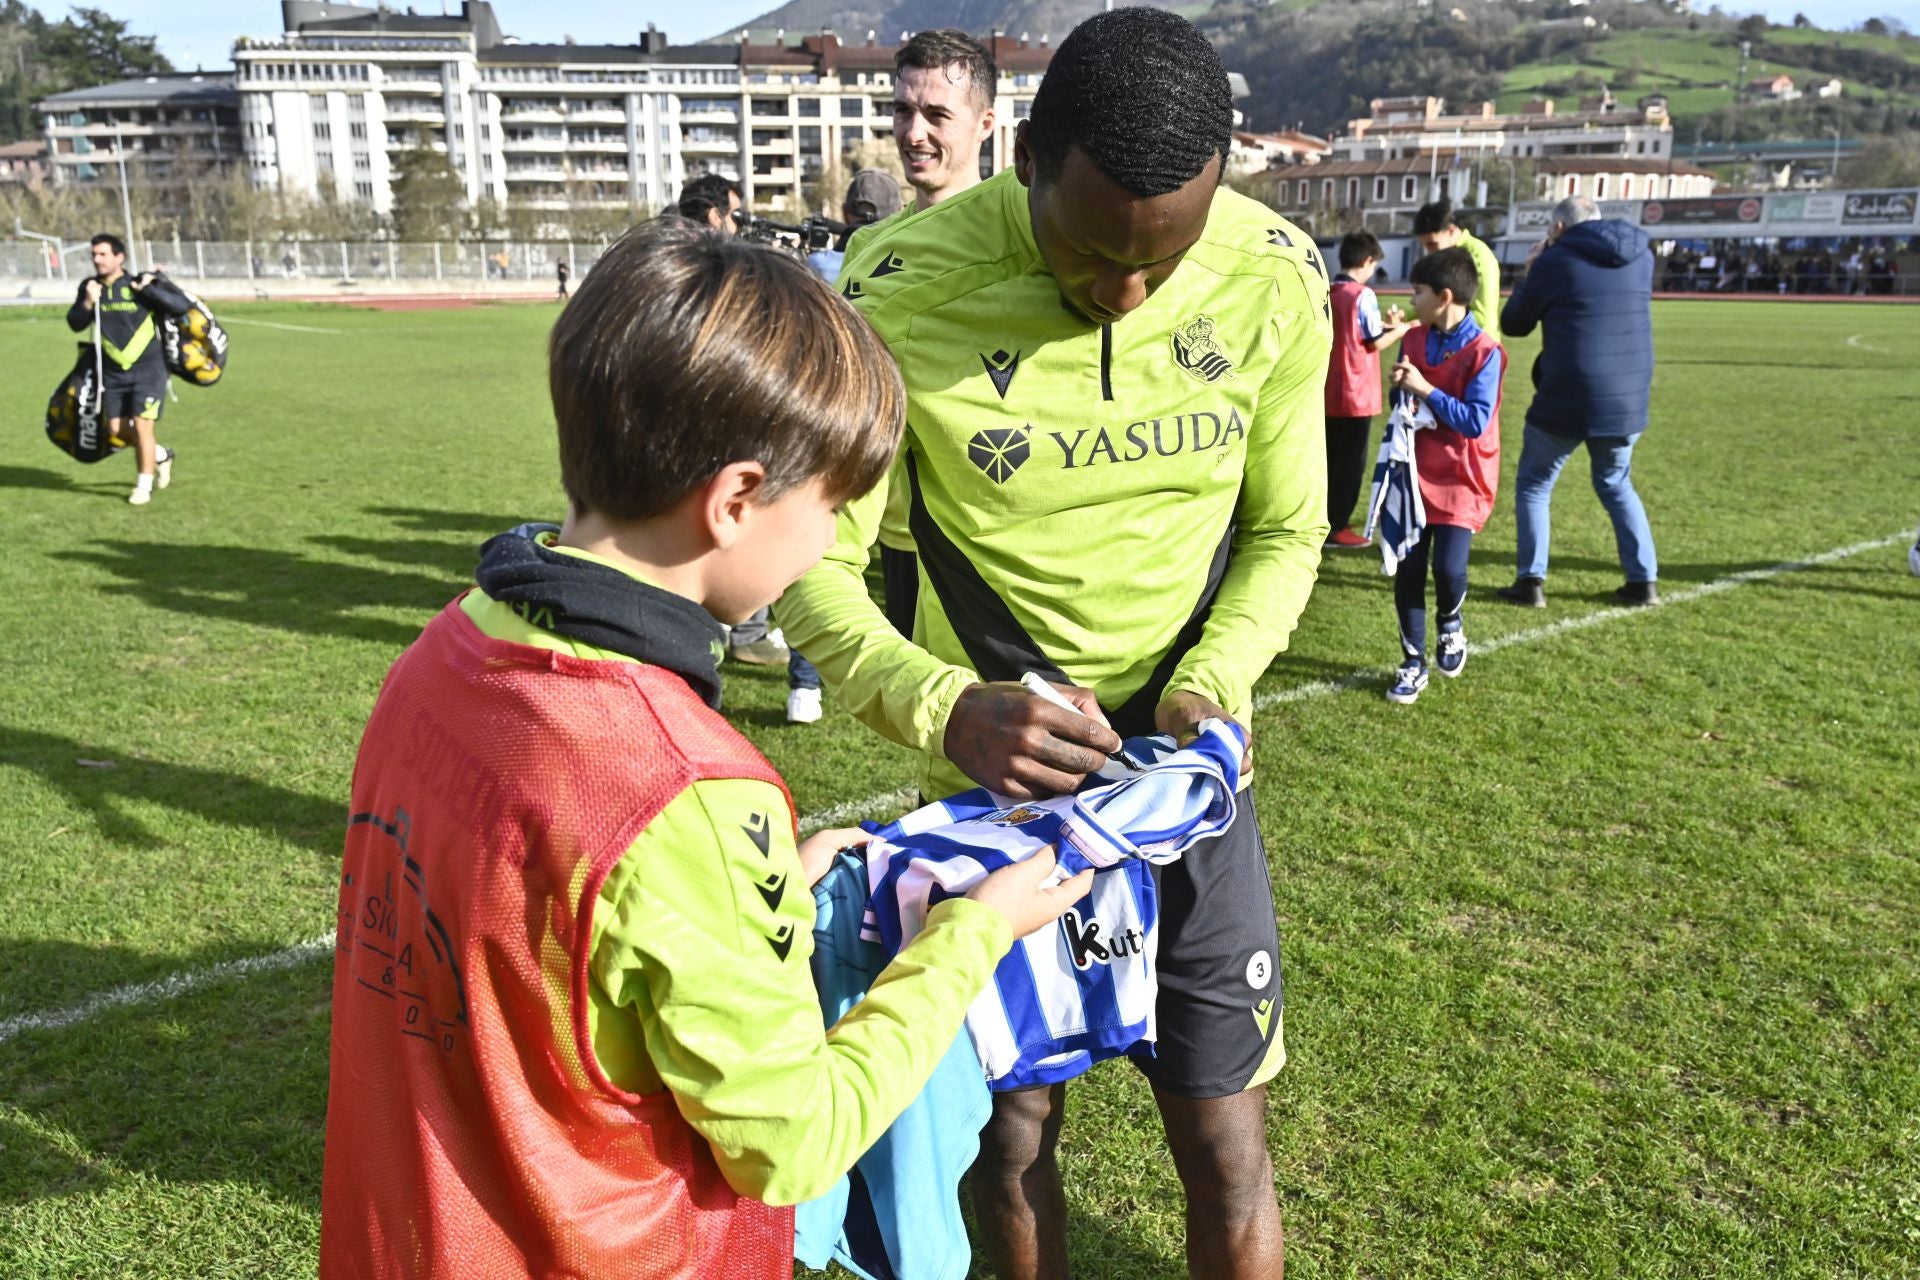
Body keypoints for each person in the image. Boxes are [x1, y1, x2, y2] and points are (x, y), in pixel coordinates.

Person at [316, 217, 1094, 1279]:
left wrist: (756, 894)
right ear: (734, 499)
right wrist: (969, 933)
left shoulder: (445, 652)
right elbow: (791, 1140)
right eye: (829, 508)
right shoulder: (689, 789)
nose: (830, 545)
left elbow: (563, 937)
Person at [781, 10, 1330, 1276]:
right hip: (995, 787)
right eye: (1089, 253)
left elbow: (1290, 527)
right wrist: (942, 705)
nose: (1123, 291)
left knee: (1228, 1149)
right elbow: (817, 565)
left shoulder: (1275, 274)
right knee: (1010, 1142)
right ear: (1025, 155)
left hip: (1191, 792)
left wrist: (1212, 683)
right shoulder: (895, 289)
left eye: (1164, 260)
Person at [871, 28, 1002, 642]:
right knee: (927, 725)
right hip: (899, 535)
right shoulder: (866, 250)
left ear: (985, 124)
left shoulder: (1026, 241)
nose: (913, 132)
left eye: (936, 114)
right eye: (902, 110)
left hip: (994, 545)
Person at [1494, 194, 1659, 610]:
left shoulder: (1555, 260)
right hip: (1628, 394)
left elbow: (1513, 323)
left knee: (1534, 484)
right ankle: (1644, 580)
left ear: (1559, 229)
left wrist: (1531, 272)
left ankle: (1531, 581)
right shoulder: (1642, 255)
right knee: (1616, 483)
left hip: (1569, 390)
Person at [788, 168, 907, 725]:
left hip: (828, 430)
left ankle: (803, 688)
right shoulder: (903, 258)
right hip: (888, 448)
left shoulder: (823, 265)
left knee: (816, 557)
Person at [1382, 247, 1505, 706]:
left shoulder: (1485, 352)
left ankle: (1450, 624)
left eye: (1418, 292)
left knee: (1449, 570)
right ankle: (1412, 662)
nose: (1412, 301)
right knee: (1409, 571)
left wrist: (1424, 389)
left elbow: (1475, 422)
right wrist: (1405, 395)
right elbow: (1406, 400)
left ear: (1445, 296)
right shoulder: (1415, 339)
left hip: (1463, 476)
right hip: (1414, 470)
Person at [66, 234, 184, 506]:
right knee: (116, 430)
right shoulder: (90, 286)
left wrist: (150, 290)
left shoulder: (138, 283)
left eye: (103, 254)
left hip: (149, 369)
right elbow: (75, 323)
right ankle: (161, 455)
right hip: (112, 372)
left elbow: (179, 307)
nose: (97, 259)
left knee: (143, 426)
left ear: (119, 257)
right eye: (94, 254)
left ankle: (143, 485)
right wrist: (87, 301)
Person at [1324, 230, 1410, 550]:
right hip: (1355, 393)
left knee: (1329, 462)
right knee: (1350, 465)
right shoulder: (1363, 295)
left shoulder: (1327, 290)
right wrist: (1400, 329)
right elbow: (1373, 342)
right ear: (1367, 261)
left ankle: (1326, 520)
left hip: (1326, 392)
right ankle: (1337, 527)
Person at [1412, 198, 1502, 342]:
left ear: (1451, 230)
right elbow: (1436, 303)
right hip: (1451, 344)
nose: (1429, 252)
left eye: (1433, 244)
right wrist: (1408, 319)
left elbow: (1483, 318)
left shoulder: (1479, 256)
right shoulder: (1446, 255)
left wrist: (1425, 323)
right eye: (1425, 246)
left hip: (1478, 349)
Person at [676, 172, 743, 233]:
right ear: (715, 216)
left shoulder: (672, 241)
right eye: (736, 215)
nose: (740, 224)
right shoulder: (717, 246)